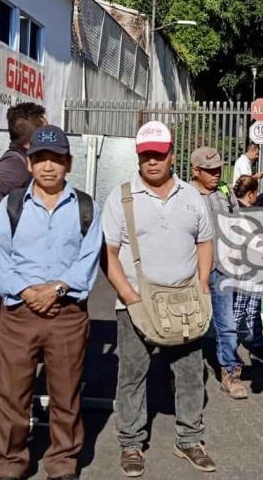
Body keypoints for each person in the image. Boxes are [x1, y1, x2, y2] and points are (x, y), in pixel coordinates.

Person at [103, 121, 216, 477]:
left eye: (159, 154)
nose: (152, 161)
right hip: (136, 304)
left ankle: (189, 439)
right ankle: (131, 444)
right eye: (146, 155)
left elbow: (205, 241)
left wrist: (202, 284)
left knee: (190, 373)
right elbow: (108, 252)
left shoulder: (192, 196)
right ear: (138, 157)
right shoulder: (121, 197)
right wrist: (128, 295)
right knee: (133, 373)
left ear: (171, 155)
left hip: (185, 301)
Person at [0, 125, 103, 480]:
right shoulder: (12, 205)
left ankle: (63, 463)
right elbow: (0, 257)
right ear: (29, 162)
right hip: (19, 315)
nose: (48, 166)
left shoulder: (85, 206)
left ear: (68, 163)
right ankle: (10, 463)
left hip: (66, 314)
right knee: (11, 395)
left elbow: (88, 258)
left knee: (66, 394)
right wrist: (26, 292)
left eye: (56, 159)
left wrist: (54, 290)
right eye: (40, 159)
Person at [0, 102, 47, 438]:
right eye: (44, 126)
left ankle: (19, 403)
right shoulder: (14, 163)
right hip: (11, 268)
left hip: (24, 268)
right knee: (6, 340)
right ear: (32, 134)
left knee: (22, 340)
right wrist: (20, 227)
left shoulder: (25, 162)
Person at [191, 146, 250, 398]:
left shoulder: (225, 192)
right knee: (190, 324)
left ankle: (230, 373)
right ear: (195, 171)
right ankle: (185, 375)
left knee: (226, 324)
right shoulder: (184, 195)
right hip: (192, 272)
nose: (216, 174)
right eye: (209, 170)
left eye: (218, 169)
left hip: (223, 270)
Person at [231, 175, 263, 365]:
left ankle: (247, 346)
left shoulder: (234, 211)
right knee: (244, 309)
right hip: (247, 267)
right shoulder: (248, 214)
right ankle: (230, 350)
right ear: (250, 194)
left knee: (247, 309)